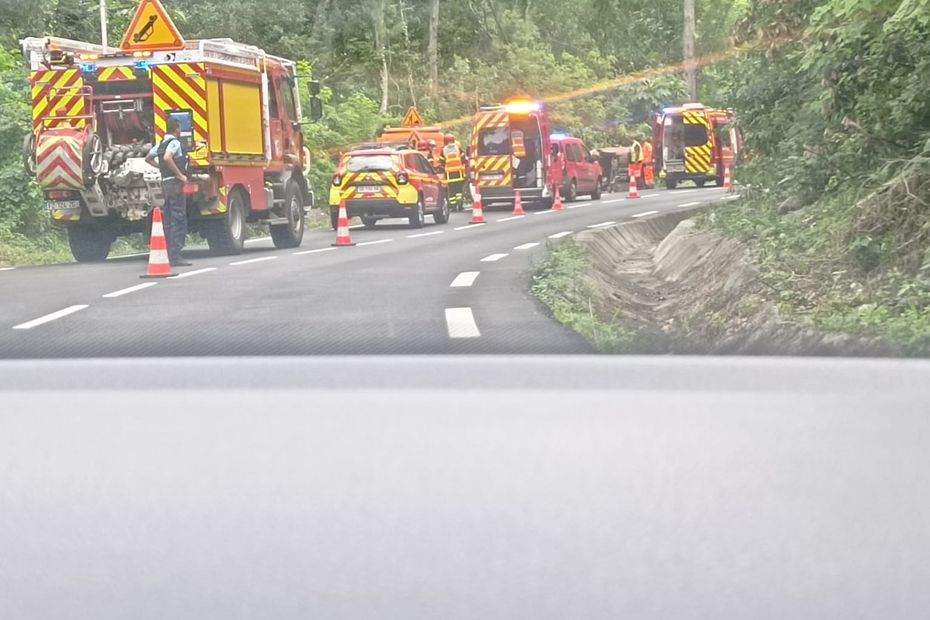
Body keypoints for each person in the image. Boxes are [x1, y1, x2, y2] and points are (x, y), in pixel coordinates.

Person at [145, 118, 191, 266]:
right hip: (175, 185)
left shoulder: (160, 144)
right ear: (177, 129)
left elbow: (148, 158)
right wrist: (179, 174)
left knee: (169, 219)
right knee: (178, 218)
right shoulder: (174, 143)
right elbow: (167, 157)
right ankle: (175, 256)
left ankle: (168, 253)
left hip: (165, 184)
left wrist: (162, 169)